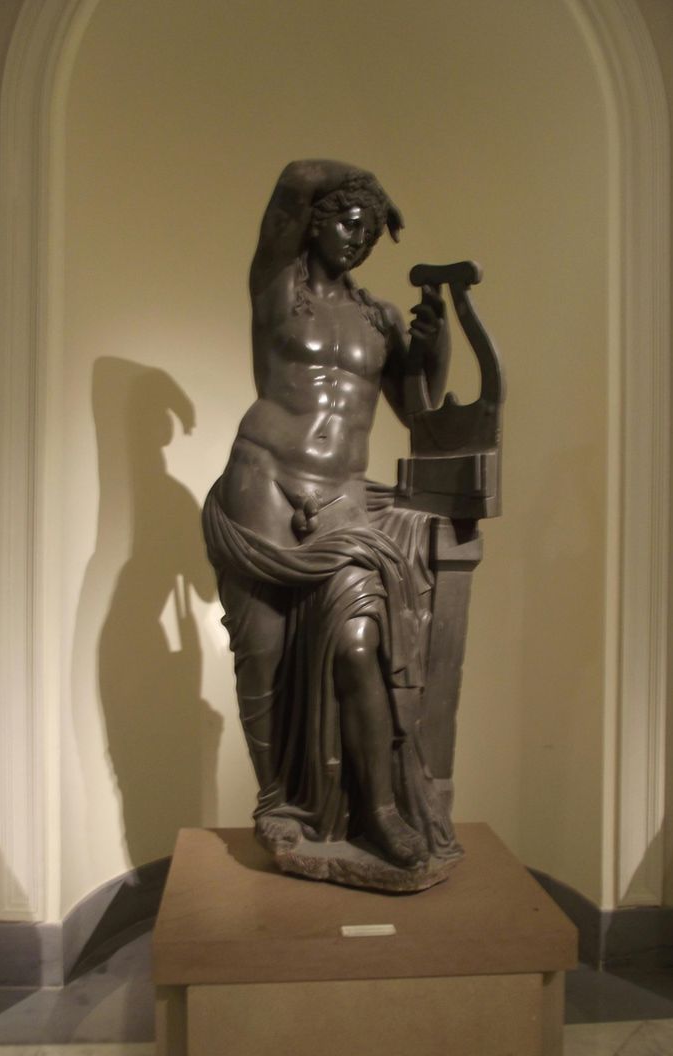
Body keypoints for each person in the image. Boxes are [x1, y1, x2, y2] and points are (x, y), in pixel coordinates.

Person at [203, 160, 459, 873]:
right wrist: (373, 185)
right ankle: (277, 805)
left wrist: (433, 349)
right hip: (263, 485)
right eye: (350, 222)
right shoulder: (276, 286)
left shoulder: (380, 318)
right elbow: (293, 178)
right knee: (263, 653)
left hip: (343, 500)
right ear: (315, 222)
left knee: (356, 646)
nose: (359, 240)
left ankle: (380, 811)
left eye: (370, 233)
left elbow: (417, 409)